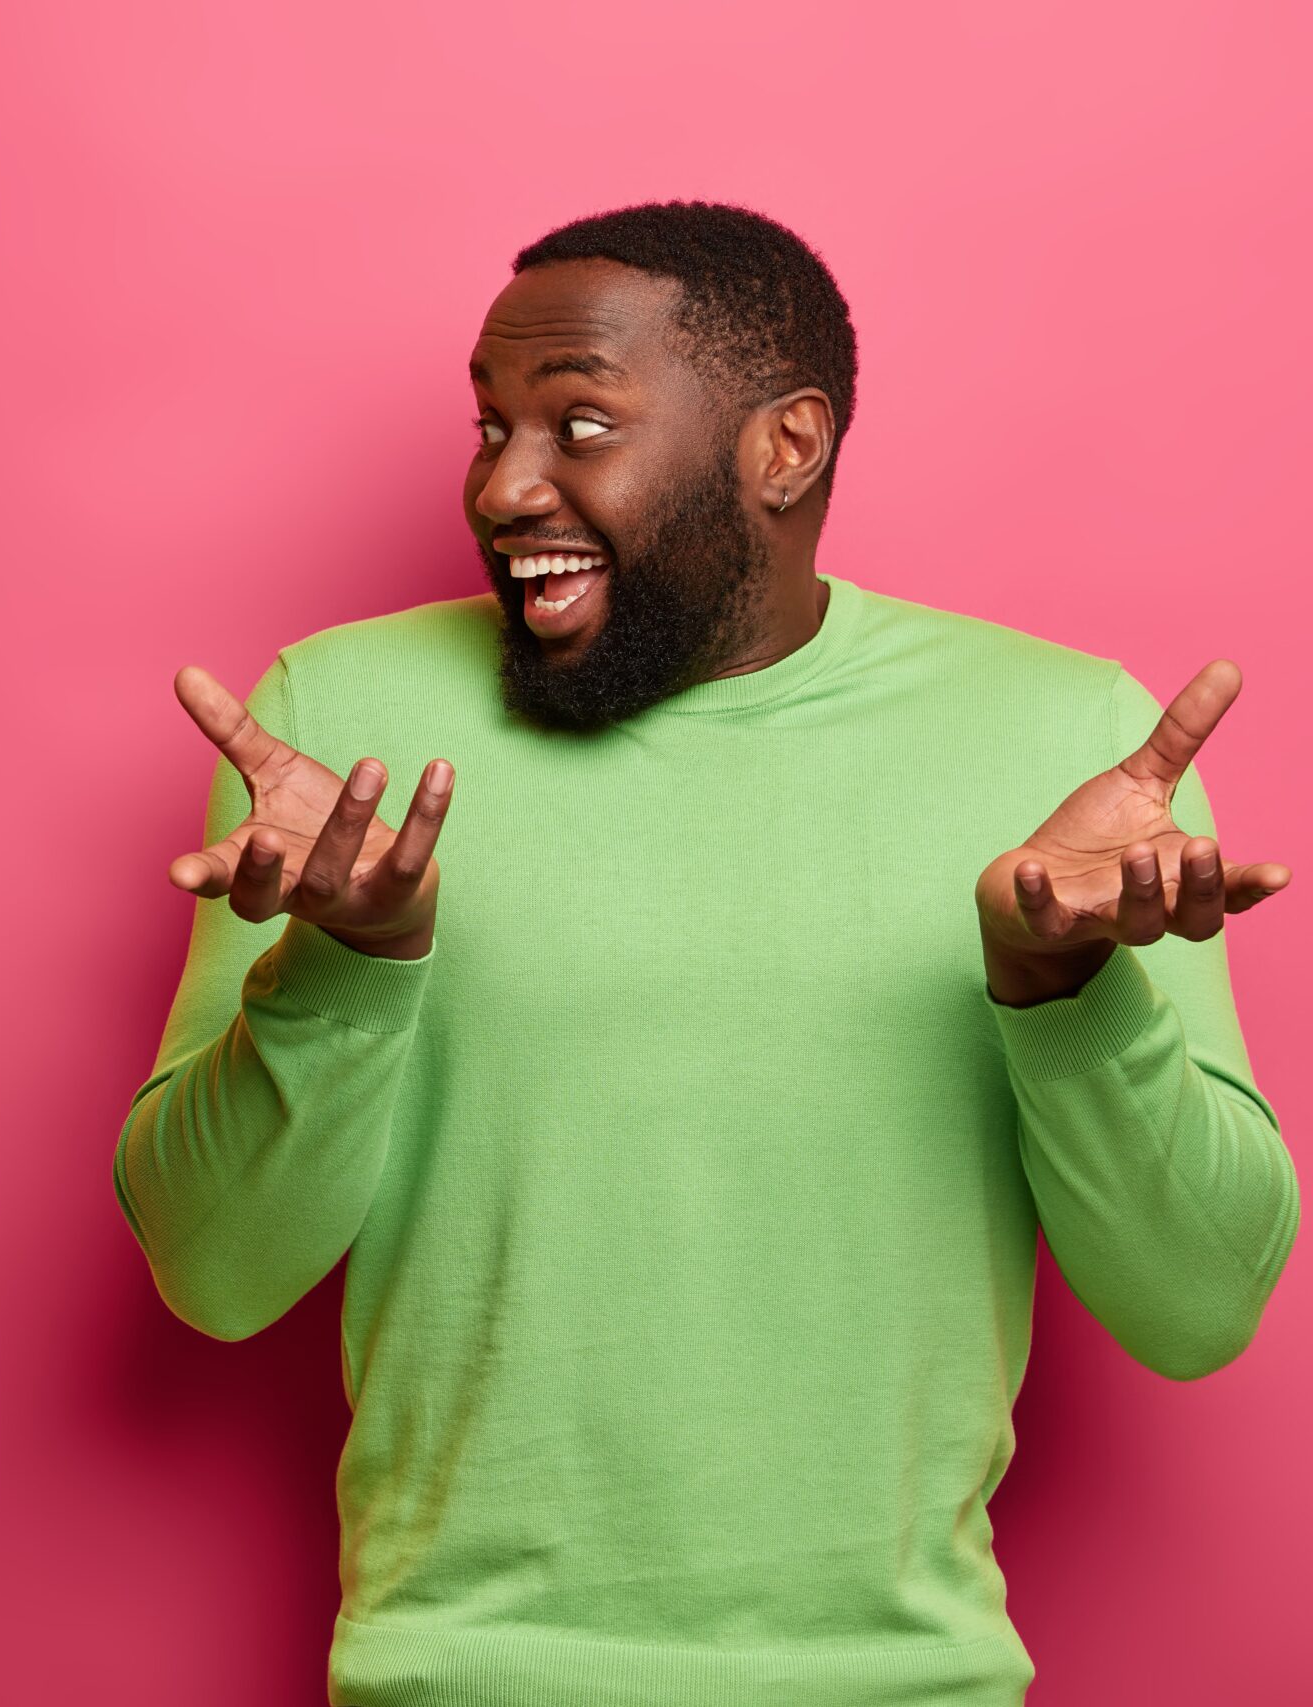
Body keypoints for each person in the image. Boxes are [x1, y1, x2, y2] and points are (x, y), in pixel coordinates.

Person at [114, 201, 1297, 1705]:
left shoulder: (1075, 755)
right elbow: (212, 1273)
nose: (503, 484)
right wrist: (345, 968)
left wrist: (1064, 992)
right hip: (456, 1680)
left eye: (579, 423)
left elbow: (1199, 1308)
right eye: (489, 424)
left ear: (783, 447)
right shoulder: (337, 738)